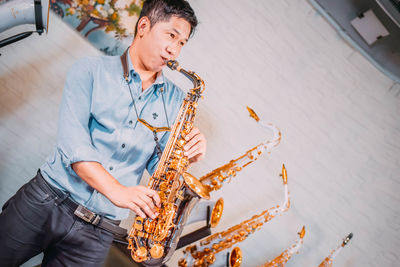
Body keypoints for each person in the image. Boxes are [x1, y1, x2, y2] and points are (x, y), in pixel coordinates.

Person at [0, 0, 206, 266]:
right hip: (47, 200)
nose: (174, 51)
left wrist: (189, 155)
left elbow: (160, 168)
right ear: (143, 26)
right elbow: (73, 145)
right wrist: (118, 191)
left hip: (100, 231)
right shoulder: (89, 70)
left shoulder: (177, 101)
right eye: (171, 36)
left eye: (182, 43)